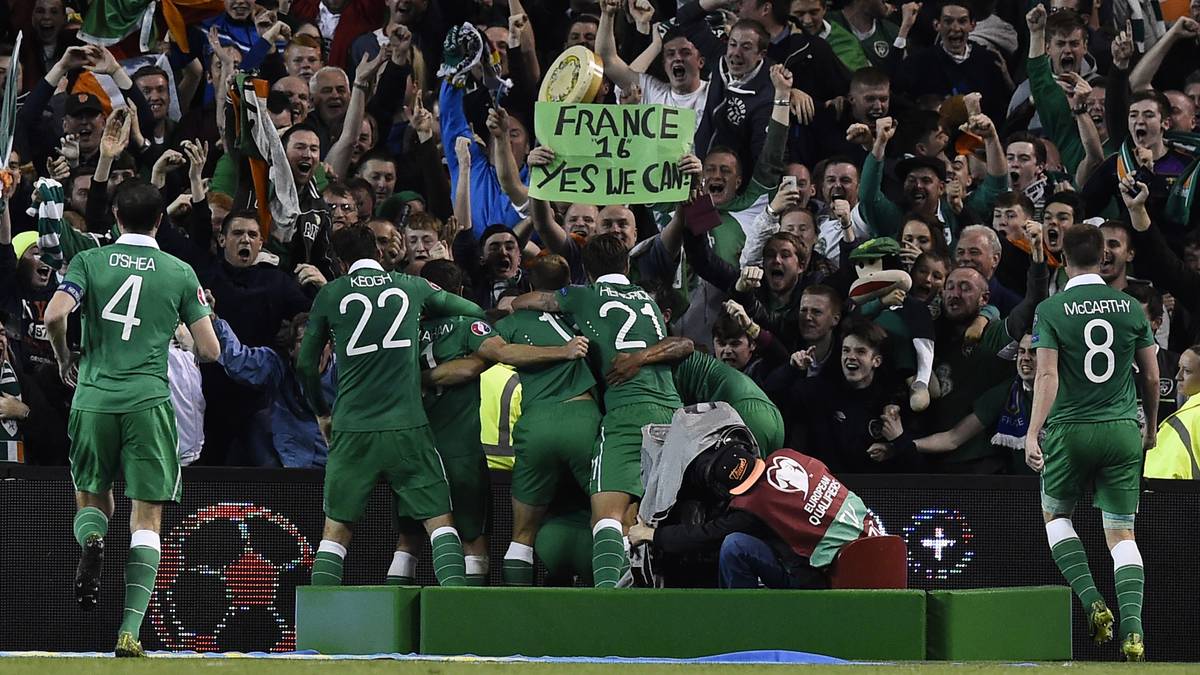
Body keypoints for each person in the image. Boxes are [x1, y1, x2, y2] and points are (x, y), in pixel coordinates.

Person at [42, 180, 221, 657]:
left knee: (92, 496)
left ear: (116, 217)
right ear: (160, 220)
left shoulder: (89, 261)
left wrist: (63, 358)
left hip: (93, 398)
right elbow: (210, 350)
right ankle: (130, 632)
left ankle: (93, 538)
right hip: (148, 403)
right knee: (147, 517)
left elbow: (54, 315)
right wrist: (175, 330)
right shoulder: (179, 271)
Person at [296, 226, 485, 589]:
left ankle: (319, 622)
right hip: (408, 425)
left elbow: (306, 365)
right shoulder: (411, 286)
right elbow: (472, 309)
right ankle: (456, 613)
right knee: (440, 524)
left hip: (352, 427)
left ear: (339, 262)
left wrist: (322, 413)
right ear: (379, 253)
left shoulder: (331, 293)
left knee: (335, 534)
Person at [512, 234, 685, 588]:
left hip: (627, 411)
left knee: (606, 517)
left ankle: (607, 604)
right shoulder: (648, 301)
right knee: (645, 516)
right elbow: (680, 344)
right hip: (673, 413)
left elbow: (524, 301)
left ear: (588, 272)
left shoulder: (582, 295)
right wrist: (642, 357)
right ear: (627, 265)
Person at [1025, 224, 1159, 662]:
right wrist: (1151, 426)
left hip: (1070, 430)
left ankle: (1092, 600)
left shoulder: (1051, 309)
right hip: (1121, 428)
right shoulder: (1130, 307)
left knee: (1055, 517)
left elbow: (1047, 375)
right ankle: (1134, 630)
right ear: (1103, 257)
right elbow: (1152, 376)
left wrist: (1032, 432)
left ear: (1063, 259)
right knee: (1121, 533)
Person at [628, 440, 884, 589]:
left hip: (826, 581)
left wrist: (649, 533)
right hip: (879, 551)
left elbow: (704, 536)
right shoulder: (789, 456)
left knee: (734, 545)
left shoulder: (752, 507)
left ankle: (742, 621)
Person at [490, 255, 599, 585]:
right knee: (611, 519)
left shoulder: (511, 323)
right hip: (584, 419)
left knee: (522, 535)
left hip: (537, 425)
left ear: (530, 283)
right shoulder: (584, 314)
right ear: (567, 283)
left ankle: (517, 612)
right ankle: (621, 603)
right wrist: (565, 350)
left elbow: (496, 352)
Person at [1143, 345, 1200, 479]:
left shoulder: (1189, 419)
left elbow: (1164, 479)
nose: (1178, 376)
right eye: (1179, 368)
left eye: (1187, 371)